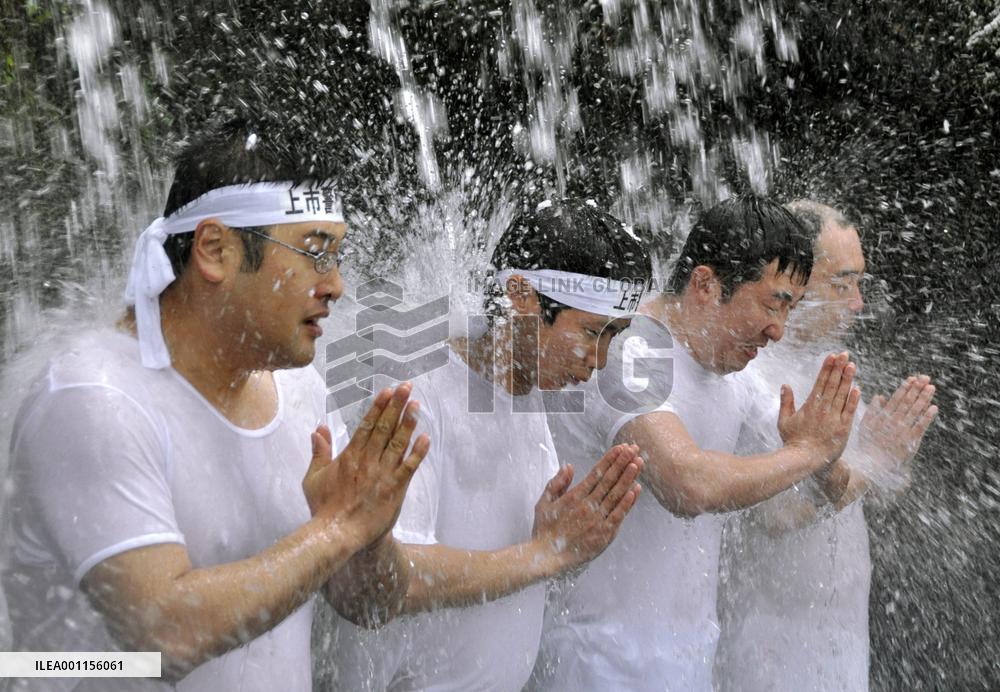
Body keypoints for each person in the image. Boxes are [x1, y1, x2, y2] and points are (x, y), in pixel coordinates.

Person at [3, 120, 430, 691]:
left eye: (339, 257)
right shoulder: (94, 398)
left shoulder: (301, 393)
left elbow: (368, 607)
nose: (336, 286)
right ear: (214, 250)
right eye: (315, 254)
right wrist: (336, 530)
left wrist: (370, 532)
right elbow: (161, 638)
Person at [532, 193, 863, 691]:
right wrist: (808, 453)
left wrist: (834, 457)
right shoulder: (626, 349)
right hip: (595, 660)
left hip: (686, 661)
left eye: (790, 309)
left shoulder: (732, 373)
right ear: (705, 284)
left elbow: (827, 487)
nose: (779, 331)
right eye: (773, 303)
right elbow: (687, 485)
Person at [321, 199, 652, 692]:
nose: (600, 361)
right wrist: (545, 552)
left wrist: (552, 547)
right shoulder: (419, 388)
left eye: (614, 337)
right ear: (521, 295)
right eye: (590, 332)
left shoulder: (527, 394)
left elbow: (506, 570)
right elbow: (391, 580)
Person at [714, 200, 938, 692]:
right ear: (795, 281)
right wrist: (872, 460)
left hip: (836, 639)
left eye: (859, 284)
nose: (857, 303)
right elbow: (771, 517)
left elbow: (866, 490)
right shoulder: (750, 380)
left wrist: (889, 460)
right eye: (842, 284)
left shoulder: (824, 367)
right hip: (768, 650)